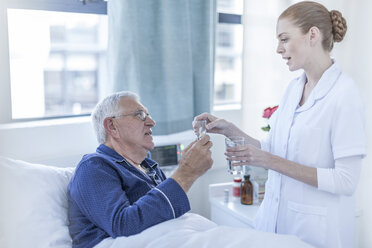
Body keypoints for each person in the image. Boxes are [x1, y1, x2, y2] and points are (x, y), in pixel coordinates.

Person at [194, 1, 365, 248]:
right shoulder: (294, 88)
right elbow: (274, 146)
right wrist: (230, 130)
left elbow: (346, 181)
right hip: (274, 222)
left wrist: (268, 161)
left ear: (312, 35)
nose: (278, 49)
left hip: (316, 232)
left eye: (284, 39)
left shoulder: (344, 95)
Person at [68, 91, 213, 248]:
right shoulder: (94, 167)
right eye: (140, 115)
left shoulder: (150, 167)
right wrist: (186, 172)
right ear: (112, 126)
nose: (151, 122)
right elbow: (123, 225)